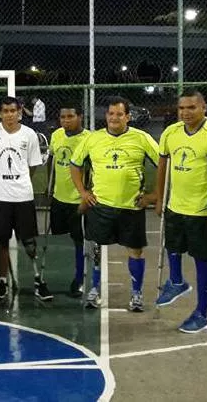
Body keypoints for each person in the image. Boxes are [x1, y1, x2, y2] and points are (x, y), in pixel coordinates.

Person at [146, 89, 207, 333]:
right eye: (181, 108)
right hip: (175, 205)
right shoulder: (171, 133)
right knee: (172, 246)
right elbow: (163, 165)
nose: (185, 112)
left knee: (201, 259)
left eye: (191, 108)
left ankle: (201, 314)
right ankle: (176, 281)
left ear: (203, 108)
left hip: (202, 210)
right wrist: (159, 197)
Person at [70, 96, 159, 311]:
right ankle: (95, 289)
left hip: (131, 206)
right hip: (101, 206)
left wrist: (154, 196)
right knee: (96, 250)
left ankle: (136, 294)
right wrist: (83, 192)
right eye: (111, 114)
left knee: (135, 251)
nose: (114, 118)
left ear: (128, 117)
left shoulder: (142, 138)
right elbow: (75, 165)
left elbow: (164, 165)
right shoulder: (93, 139)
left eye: (119, 114)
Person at [0, 96, 51, 301]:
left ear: (19, 112)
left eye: (13, 111)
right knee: (2, 241)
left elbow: (32, 165)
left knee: (29, 241)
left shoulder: (29, 134)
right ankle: (2, 281)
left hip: (23, 195)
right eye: (5, 111)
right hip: (0, 196)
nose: (9, 115)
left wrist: (21, 181)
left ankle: (38, 280)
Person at [48, 103, 91, 298]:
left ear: (80, 116)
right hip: (59, 197)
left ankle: (79, 279)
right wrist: (49, 186)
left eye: (70, 116)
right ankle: (56, 276)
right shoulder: (56, 135)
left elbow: (95, 170)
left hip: (78, 200)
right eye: (62, 117)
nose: (65, 121)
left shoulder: (89, 139)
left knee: (79, 241)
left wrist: (87, 195)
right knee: (60, 238)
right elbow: (52, 159)